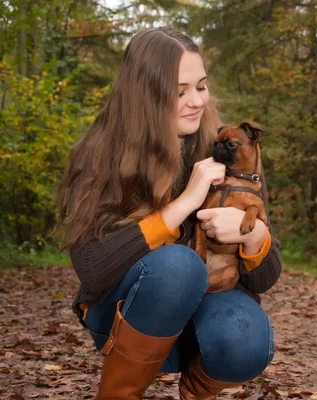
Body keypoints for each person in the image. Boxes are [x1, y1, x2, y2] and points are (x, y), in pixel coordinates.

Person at [55, 27, 282, 400]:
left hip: (204, 309)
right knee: (179, 264)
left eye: (201, 86)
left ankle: (195, 390)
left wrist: (254, 236)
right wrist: (184, 204)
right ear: (145, 96)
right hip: (127, 313)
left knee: (245, 342)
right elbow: (92, 268)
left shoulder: (223, 150)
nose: (197, 101)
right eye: (180, 92)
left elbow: (264, 280)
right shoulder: (99, 155)